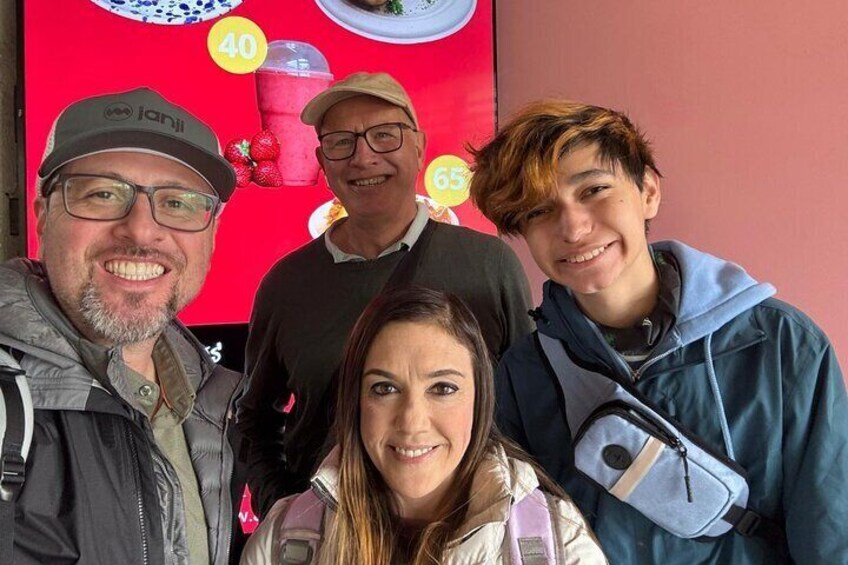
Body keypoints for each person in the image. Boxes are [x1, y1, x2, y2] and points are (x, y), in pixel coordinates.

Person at [467, 100, 848, 564]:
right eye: (539, 211)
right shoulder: (524, 373)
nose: (573, 227)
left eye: (594, 190)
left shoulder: (779, 343)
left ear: (647, 191)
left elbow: (830, 529)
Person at [238, 72, 534, 518]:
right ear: (322, 161)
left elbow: (531, 407)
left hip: (466, 530)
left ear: (419, 147)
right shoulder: (286, 283)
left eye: (384, 135)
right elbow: (254, 419)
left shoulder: (489, 265)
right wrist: (283, 508)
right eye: (341, 142)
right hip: (330, 532)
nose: (363, 157)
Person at [0, 87, 245, 564]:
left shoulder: (211, 403)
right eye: (103, 194)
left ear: (212, 235)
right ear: (43, 217)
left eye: (178, 203)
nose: (141, 230)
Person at [241, 286, 606, 564]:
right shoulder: (281, 542)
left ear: (480, 399)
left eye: (443, 388)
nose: (412, 421)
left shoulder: (560, 542)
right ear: (355, 402)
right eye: (385, 388)